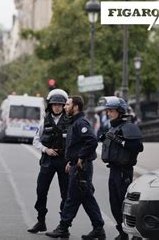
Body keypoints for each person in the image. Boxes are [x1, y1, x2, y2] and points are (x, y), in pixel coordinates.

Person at [46, 96, 106, 239]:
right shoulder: (74, 122)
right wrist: (71, 161)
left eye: (67, 104)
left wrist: (80, 157)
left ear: (76, 107)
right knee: (86, 197)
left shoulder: (81, 123)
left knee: (72, 197)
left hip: (82, 167)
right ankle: (98, 228)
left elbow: (92, 141)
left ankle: (63, 227)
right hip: (77, 165)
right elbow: (76, 145)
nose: (65, 107)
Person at [99, 96, 144, 240]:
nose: (108, 113)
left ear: (120, 111)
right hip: (113, 170)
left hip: (124, 172)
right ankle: (122, 232)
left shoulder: (129, 127)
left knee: (127, 205)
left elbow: (138, 147)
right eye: (108, 111)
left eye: (111, 111)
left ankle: (136, 234)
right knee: (114, 203)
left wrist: (120, 141)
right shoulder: (113, 127)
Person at [28, 89, 70, 234]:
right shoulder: (44, 121)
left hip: (64, 162)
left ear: (64, 105)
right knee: (41, 191)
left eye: (60, 104)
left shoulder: (70, 121)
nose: (57, 107)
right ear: (50, 106)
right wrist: (46, 150)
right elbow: (35, 140)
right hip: (47, 160)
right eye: (54, 104)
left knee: (65, 193)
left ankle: (63, 226)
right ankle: (41, 222)